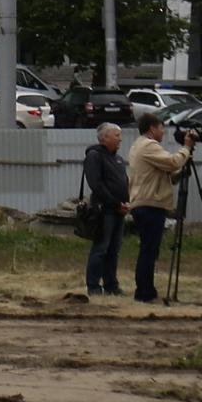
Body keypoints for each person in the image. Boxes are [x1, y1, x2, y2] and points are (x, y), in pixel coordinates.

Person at [127, 117, 196, 305]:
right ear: (152, 129)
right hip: (149, 205)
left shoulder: (139, 145)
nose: (163, 132)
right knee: (149, 251)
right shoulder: (148, 145)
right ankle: (145, 293)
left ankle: (146, 291)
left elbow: (167, 175)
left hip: (145, 203)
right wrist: (186, 147)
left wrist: (182, 173)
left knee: (149, 250)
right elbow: (173, 162)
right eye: (161, 128)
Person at [82, 123, 129, 297]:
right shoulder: (94, 156)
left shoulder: (118, 159)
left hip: (119, 211)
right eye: (117, 135)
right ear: (105, 138)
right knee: (101, 248)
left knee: (114, 250)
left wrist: (126, 202)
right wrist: (114, 203)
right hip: (104, 211)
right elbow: (96, 184)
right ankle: (93, 286)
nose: (120, 139)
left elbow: (125, 181)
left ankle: (111, 285)